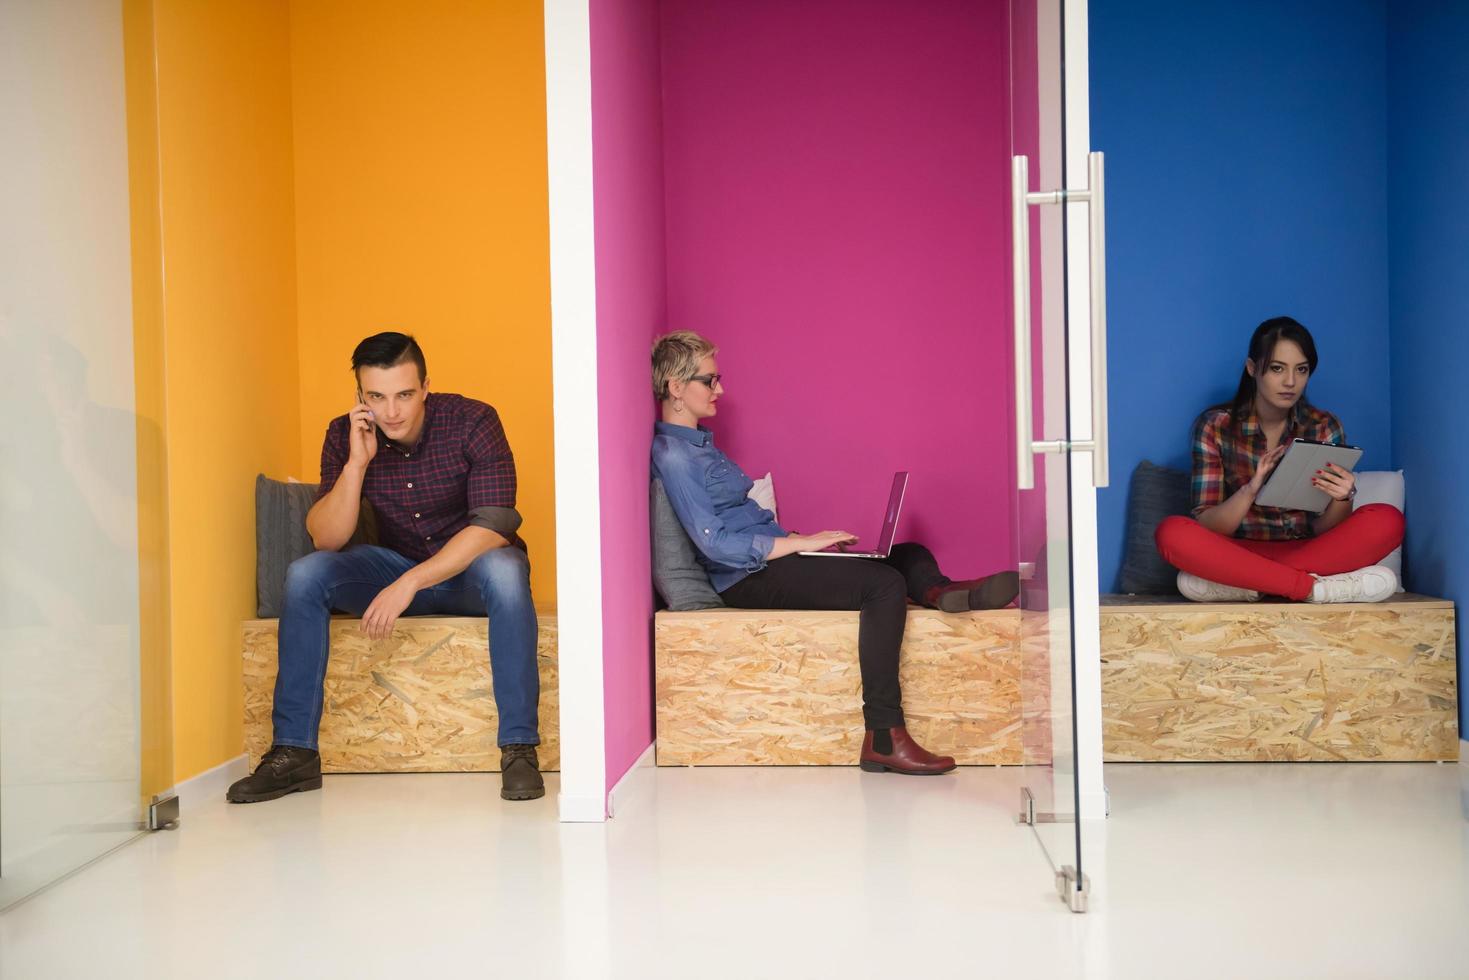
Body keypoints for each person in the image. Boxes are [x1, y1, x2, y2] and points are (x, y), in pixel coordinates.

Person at [650, 331, 1019, 776]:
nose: (720, 390)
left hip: (771, 560)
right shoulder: (675, 458)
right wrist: (801, 545)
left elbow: (738, 523)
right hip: (745, 578)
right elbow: (714, 543)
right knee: (884, 585)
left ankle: (941, 593)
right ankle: (883, 736)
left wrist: (804, 540)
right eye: (710, 381)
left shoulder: (699, 447)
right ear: (675, 388)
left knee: (905, 552)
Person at [228, 333, 543, 803]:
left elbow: (495, 524)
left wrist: (410, 583)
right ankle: (295, 753)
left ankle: (519, 748)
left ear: (426, 387)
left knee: (505, 569)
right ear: (360, 397)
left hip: (468, 573)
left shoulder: (474, 420)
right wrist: (357, 464)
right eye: (376, 397)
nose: (391, 411)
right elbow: (327, 537)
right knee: (306, 574)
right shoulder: (345, 434)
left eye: (404, 395)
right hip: (392, 566)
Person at [1155, 316, 1404, 603]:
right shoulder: (1215, 426)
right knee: (1171, 533)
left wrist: (1343, 498)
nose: (1290, 382)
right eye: (1277, 369)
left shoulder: (1323, 426)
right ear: (1252, 369)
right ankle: (1311, 589)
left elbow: (1325, 528)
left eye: (1301, 370)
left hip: (1307, 550)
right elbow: (1210, 526)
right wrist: (1251, 490)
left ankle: (1248, 584)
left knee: (1387, 519)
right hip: (1237, 551)